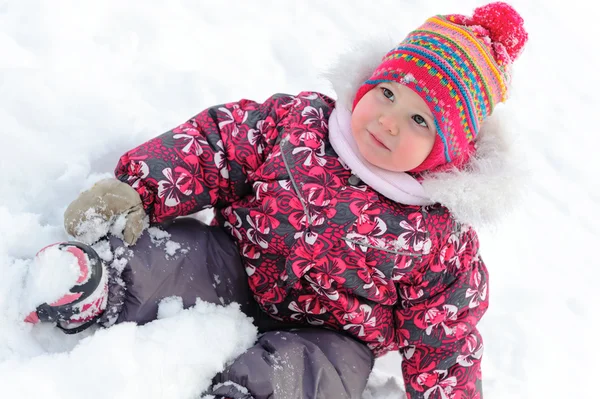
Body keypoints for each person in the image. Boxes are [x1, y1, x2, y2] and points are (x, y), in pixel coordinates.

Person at [25, 2, 528, 398]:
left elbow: (446, 340)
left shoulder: (442, 240)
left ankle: (253, 392)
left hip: (333, 333)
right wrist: (139, 187)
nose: (388, 121)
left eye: (421, 121)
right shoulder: (304, 125)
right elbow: (215, 146)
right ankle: (101, 280)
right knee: (181, 255)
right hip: (241, 259)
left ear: (447, 152)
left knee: (321, 375)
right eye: (388, 93)